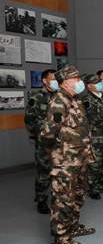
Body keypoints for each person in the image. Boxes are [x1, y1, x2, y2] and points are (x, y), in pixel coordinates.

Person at [40, 66, 96, 244]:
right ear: (65, 82)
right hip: (65, 159)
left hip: (80, 157)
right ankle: (61, 237)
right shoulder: (59, 101)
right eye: (76, 79)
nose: (80, 82)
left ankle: (73, 226)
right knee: (63, 198)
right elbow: (49, 131)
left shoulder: (74, 99)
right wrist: (49, 146)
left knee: (78, 195)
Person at [24, 69, 57, 214]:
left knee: (60, 171)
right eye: (53, 79)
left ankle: (58, 198)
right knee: (44, 172)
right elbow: (29, 120)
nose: (57, 81)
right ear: (45, 81)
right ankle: (41, 201)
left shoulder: (61, 96)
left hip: (61, 141)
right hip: (44, 142)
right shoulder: (37, 98)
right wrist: (40, 135)